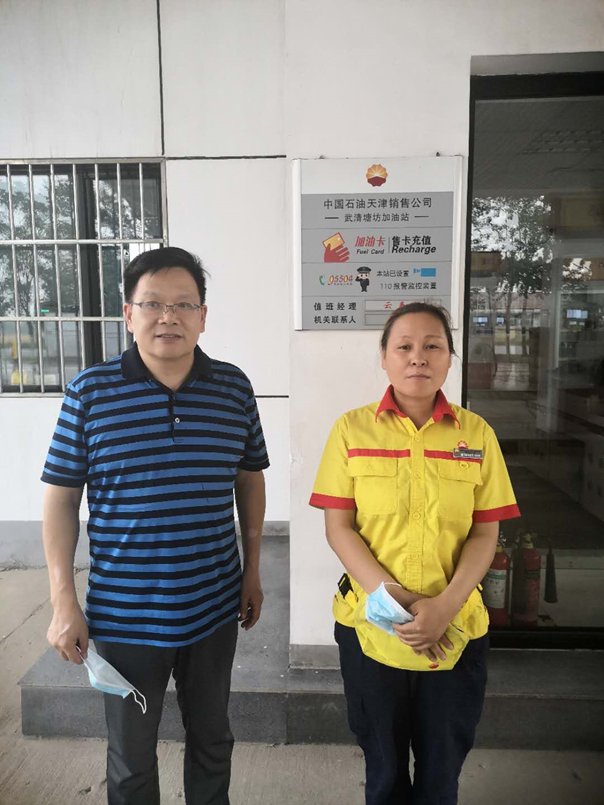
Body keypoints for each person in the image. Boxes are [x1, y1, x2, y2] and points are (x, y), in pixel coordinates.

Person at [41, 247, 269, 805]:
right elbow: (61, 499)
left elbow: (249, 480)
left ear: (203, 316)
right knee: (131, 760)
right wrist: (63, 599)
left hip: (213, 606)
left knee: (213, 741)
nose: (168, 317)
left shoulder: (233, 389)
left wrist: (252, 571)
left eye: (183, 304)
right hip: (124, 616)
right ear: (128, 314)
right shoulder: (90, 393)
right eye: (152, 304)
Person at [309, 302, 520, 805]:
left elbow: (485, 534)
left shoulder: (477, 435)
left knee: (441, 773)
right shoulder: (350, 430)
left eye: (433, 346)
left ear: (450, 358)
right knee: (383, 769)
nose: (418, 357)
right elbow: (339, 529)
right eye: (404, 346)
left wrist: (444, 606)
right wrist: (398, 601)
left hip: (456, 628)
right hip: (371, 627)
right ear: (384, 357)